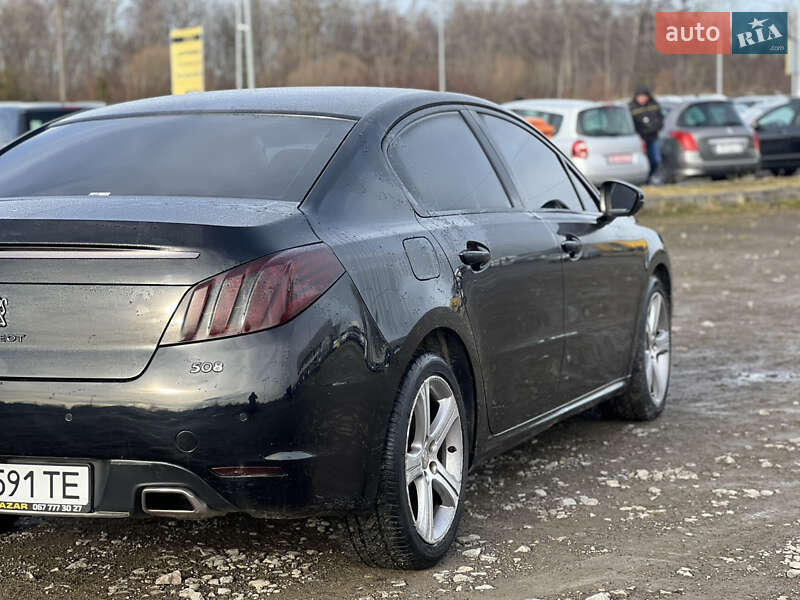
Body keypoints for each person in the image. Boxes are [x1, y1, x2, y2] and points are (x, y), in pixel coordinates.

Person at [629, 85, 664, 184]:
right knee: (643, 161)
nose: (642, 99)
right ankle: (643, 179)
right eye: (640, 96)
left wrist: (655, 128)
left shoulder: (654, 105)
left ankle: (651, 178)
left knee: (656, 160)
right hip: (640, 139)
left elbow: (660, 119)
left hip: (653, 137)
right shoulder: (631, 107)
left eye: (644, 96)